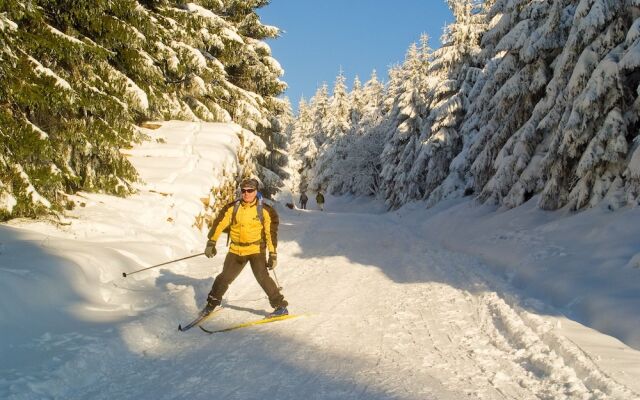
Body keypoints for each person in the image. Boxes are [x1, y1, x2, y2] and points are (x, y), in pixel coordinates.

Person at [202, 178, 288, 317]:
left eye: (250, 190)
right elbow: (219, 224)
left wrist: (272, 254)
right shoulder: (232, 208)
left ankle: (280, 307)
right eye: (243, 190)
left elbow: (270, 233)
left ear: (256, 191)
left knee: (262, 277)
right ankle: (211, 303)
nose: (246, 193)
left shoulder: (265, 210)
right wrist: (211, 243)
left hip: (256, 250)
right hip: (236, 250)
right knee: (224, 278)